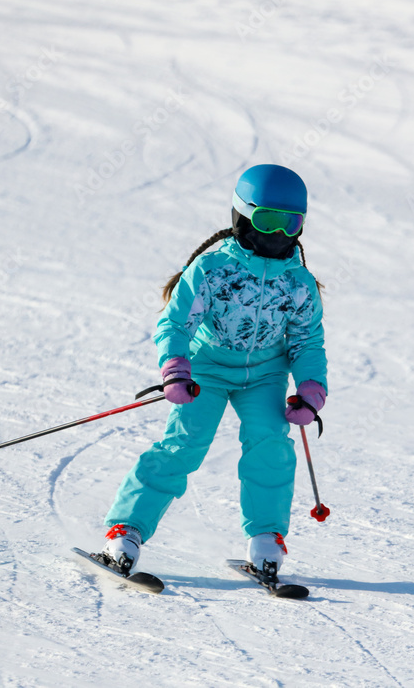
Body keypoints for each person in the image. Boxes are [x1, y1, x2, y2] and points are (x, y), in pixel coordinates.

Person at [99, 164, 328, 582]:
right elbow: (176, 323)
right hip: (207, 368)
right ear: (241, 216)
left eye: (290, 223)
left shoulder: (299, 282)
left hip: (264, 374)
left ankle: (266, 541)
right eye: (267, 220)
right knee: (184, 444)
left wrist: (311, 391)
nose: (278, 235)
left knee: (270, 447)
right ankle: (126, 529)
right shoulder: (212, 269)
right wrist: (175, 368)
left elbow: (307, 342)